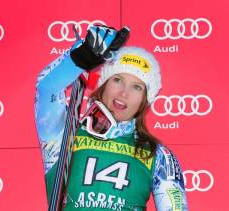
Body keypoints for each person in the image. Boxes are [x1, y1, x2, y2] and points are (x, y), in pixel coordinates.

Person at [35, 25, 188, 211]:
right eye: (117, 80)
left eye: (137, 87)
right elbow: (47, 89)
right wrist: (80, 57)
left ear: (145, 100)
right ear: (103, 85)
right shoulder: (64, 135)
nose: (124, 93)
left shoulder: (159, 156)